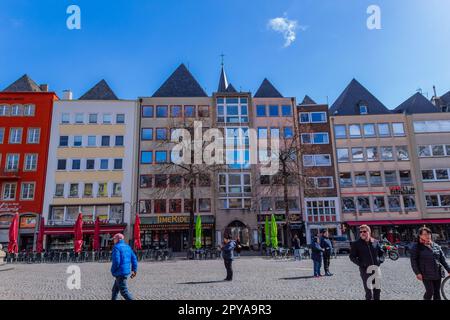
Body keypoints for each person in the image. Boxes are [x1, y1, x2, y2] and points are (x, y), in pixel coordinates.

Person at [410, 226, 450, 300]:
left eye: (429, 234)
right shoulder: (416, 247)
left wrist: (449, 270)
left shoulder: (436, 246)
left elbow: (443, 260)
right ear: (420, 235)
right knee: (430, 291)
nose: (428, 236)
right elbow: (413, 261)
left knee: (437, 292)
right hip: (425, 274)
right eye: (425, 234)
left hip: (437, 273)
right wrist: (417, 273)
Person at [349, 225, 385, 300]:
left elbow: (382, 254)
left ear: (369, 232)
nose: (362, 233)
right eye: (361, 232)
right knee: (369, 292)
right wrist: (361, 264)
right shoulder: (356, 244)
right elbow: (352, 257)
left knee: (377, 290)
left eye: (364, 231)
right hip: (365, 270)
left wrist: (380, 261)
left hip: (376, 269)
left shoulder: (375, 242)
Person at [110, 233, 138, 300]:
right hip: (124, 272)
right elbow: (134, 258)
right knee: (115, 290)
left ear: (117, 239)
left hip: (120, 273)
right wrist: (134, 270)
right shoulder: (128, 247)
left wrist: (113, 271)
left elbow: (116, 261)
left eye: (114, 239)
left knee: (124, 292)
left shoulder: (116, 247)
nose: (113, 240)